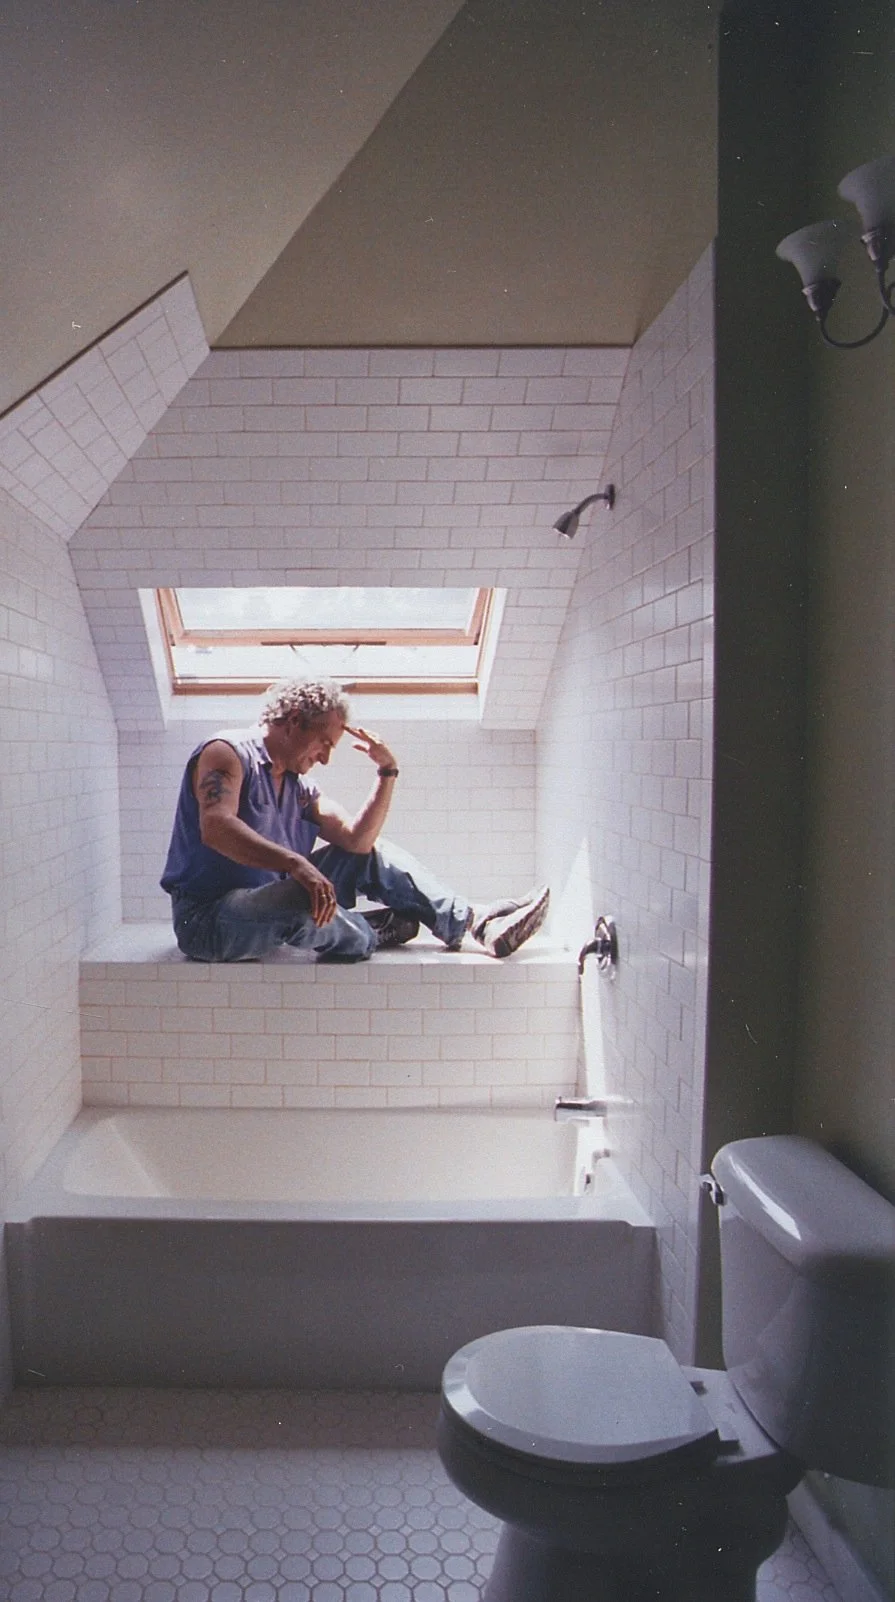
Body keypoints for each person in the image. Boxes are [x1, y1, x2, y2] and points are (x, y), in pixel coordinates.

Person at [161, 676, 550, 963]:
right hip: (208, 921)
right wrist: (297, 864)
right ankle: (370, 933)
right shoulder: (226, 754)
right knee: (302, 899)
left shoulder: (299, 788)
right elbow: (216, 827)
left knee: (366, 858)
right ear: (294, 720)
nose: (326, 757)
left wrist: (387, 773)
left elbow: (359, 843)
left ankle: (476, 924)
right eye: (324, 743)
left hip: (267, 903)